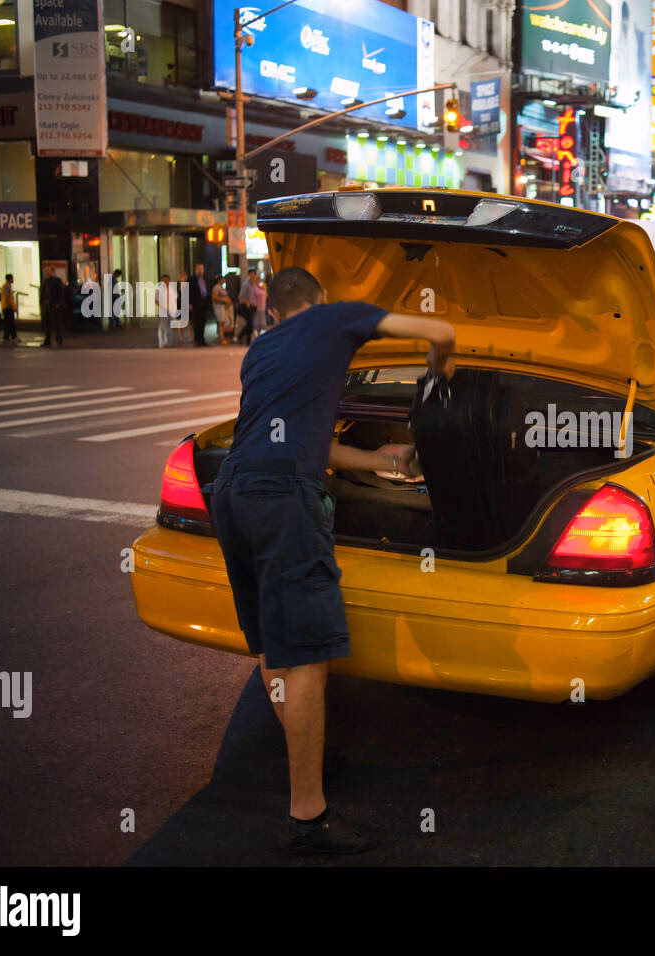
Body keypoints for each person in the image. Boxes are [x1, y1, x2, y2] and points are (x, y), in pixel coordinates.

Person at [207, 265, 456, 853]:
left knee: (272, 645)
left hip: (233, 496)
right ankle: (307, 819)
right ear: (320, 300)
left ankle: (302, 745)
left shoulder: (260, 352)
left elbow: (292, 441)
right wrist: (438, 382)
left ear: (273, 311)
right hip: (283, 501)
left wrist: (379, 461)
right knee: (308, 657)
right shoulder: (338, 316)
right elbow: (441, 330)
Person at [40, 265, 64, 347]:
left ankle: (59, 339)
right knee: (47, 323)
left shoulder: (57, 281)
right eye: (46, 270)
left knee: (56, 323)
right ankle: (47, 340)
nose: (47, 272)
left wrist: (58, 303)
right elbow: (42, 292)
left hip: (54, 305)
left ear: (53, 272)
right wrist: (42, 302)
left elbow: (60, 292)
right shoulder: (45, 281)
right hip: (46, 305)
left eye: (48, 270)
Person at [188, 262, 211, 347]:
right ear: (196, 270)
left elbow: (208, 290)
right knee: (196, 323)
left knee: (203, 322)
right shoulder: (192, 279)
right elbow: (189, 292)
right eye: (199, 269)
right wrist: (190, 303)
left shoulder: (205, 278)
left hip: (204, 303)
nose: (201, 271)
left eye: (202, 269)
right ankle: (197, 340)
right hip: (196, 303)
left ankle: (202, 339)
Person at [212, 270, 234, 345]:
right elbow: (214, 297)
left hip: (223, 306)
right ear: (219, 280)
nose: (224, 280)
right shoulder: (216, 287)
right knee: (221, 322)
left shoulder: (222, 287)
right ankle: (222, 338)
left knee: (223, 322)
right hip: (219, 306)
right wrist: (224, 299)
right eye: (222, 279)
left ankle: (222, 337)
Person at [156, 274, 177, 348]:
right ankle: (162, 344)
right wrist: (163, 307)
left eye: (166, 280)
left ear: (169, 280)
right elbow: (156, 300)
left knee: (171, 327)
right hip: (163, 311)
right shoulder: (159, 289)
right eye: (163, 280)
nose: (165, 281)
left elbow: (175, 299)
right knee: (163, 327)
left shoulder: (172, 289)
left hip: (171, 310)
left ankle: (170, 343)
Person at [0, 274, 18, 344]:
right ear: (9, 279)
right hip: (8, 307)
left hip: (6, 307)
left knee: (7, 323)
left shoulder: (6, 286)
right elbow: (7, 298)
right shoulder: (6, 286)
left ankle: (6, 337)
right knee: (11, 323)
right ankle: (13, 337)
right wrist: (11, 307)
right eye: (12, 278)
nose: (13, 280)